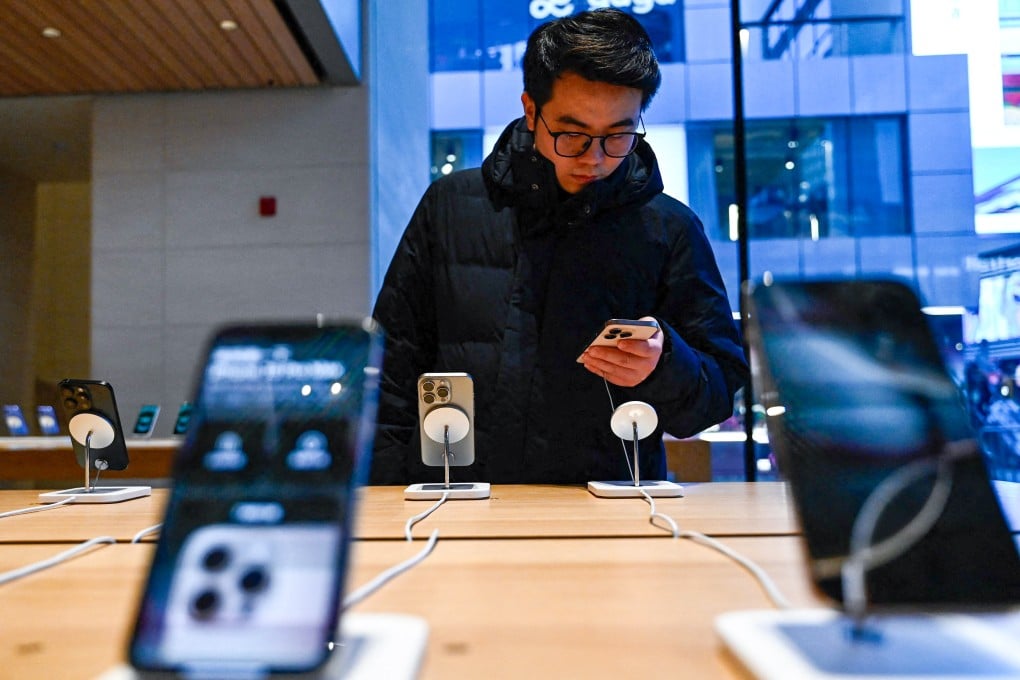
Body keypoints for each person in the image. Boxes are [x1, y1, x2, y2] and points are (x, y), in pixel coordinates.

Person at [369, 8, 748, 485]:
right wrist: (378, 506)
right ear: (531, 110)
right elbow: (390, 370)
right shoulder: (452, 206)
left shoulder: (669, 229)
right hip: (458, 506)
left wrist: (663, 364)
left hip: (607, 517)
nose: (594, 158)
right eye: (572, 134)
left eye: (619, 135)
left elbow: (715, 398)